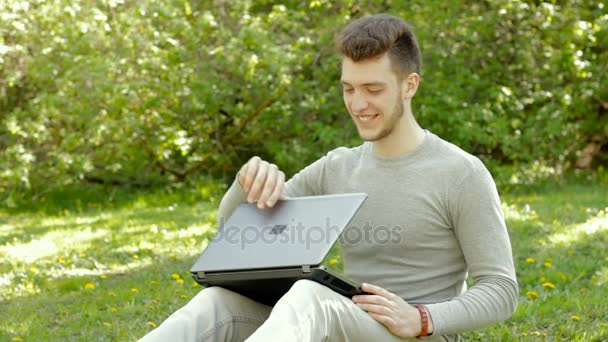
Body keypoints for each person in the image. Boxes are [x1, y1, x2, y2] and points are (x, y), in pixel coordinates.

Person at [139, 13, 518, 342]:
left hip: (417, 335)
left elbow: (501, 290)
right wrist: (246, 183)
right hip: (351, 325)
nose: (358, 104)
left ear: (409, 85)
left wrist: (421, 318)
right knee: (216, 302)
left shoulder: (460, 173)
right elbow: (235, 237)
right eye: (349, 88)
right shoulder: (337, 167)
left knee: (310, 297)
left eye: (373, 89)